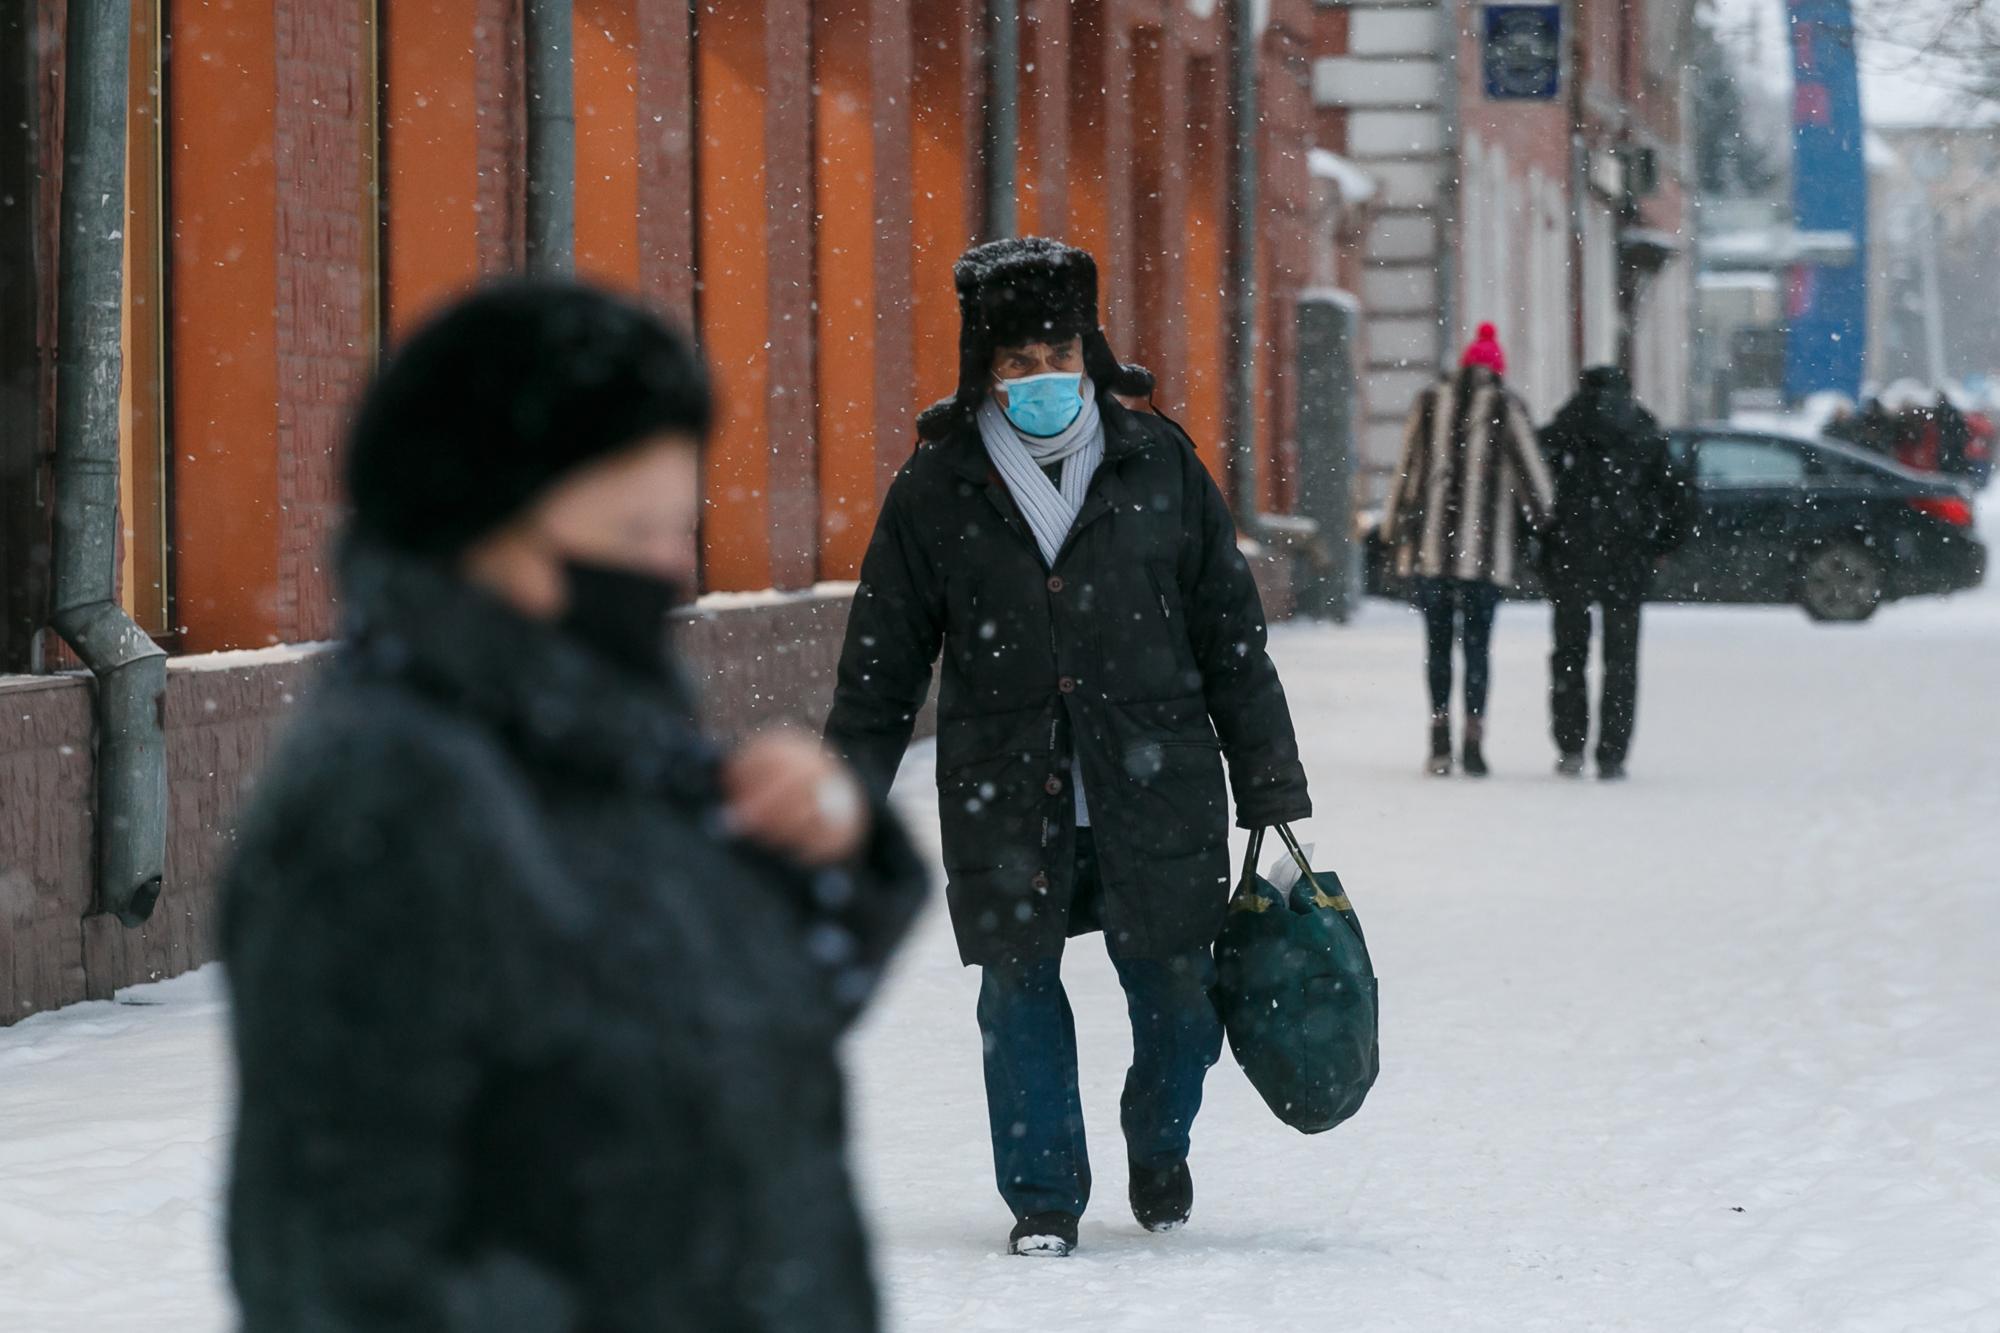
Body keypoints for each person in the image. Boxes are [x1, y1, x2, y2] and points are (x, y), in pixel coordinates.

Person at [221, 282, 927, 1333]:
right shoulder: (385, 798)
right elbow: (335, 1263)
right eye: (633, 527)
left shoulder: (601, 741)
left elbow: (732, 1028)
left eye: (678, 524)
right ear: (481, 526)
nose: (671, 568)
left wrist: (831, 843)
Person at [824, 237, 1311, 1259]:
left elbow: (1230, 634)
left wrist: (1266, 774)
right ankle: (1043, 1194)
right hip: (1005, 788)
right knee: (1015, 990)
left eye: (1056, 354)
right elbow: (881, 662)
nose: (1039, 378)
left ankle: (1156, 1135)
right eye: (1015, 362)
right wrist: (845, 798)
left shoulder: (1157, 462)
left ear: (1086, 352)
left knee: (1180, 999)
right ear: (982, 370)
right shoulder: (939, 484)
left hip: (1154, 780)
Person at [1381, 322, 1556, 777]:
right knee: (1477, 647)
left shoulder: (1428, 401)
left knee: (1437, 644)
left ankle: (1439, 738)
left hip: (1431, 550)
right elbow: (1535, 486)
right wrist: (1544, 527)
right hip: (1484, 553)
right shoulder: (1507, 407)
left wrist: (1392, 530)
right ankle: (1474, 740)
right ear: (1496, 370)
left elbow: (1406, 472)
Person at [1538, 366, 1692, 780]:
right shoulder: (1644, 431)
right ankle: (1612, 753)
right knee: (1621, 661)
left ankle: (1570, 745)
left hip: (1571, 556)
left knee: (1569, 655)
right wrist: (1660, 545)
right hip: (1627, 558)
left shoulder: (1563, 428)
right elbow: (1678, 496)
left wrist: (1543, 543)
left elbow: (1534, 492)